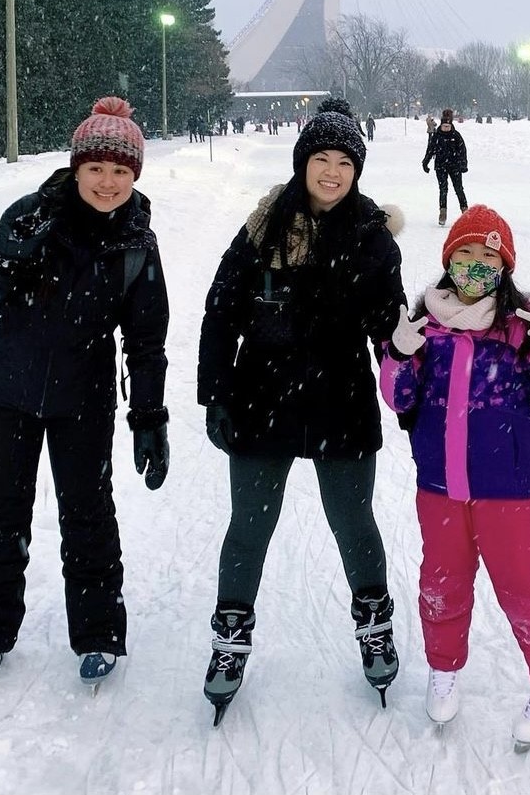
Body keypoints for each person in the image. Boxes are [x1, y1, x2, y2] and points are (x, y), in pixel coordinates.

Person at [197, 100, 407, 724]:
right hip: (263, 399)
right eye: (322, 158)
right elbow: (221, 310)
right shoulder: (264, 225)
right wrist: (214, 393)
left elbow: (388, 325)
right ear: (302, 162)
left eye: (345, 162)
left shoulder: (371, 236)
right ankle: (231, 636)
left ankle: (373, 620)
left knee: (352, 519)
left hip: (341, 401)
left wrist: (408, 388)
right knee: (250, 525)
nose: (333, 172)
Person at [0, 97, 171, 687]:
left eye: (121, 171)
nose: (108, 182)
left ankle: (99, 632)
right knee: (0, 513)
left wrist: (149, 415)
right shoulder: (33, 214)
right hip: (6, 390)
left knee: (87, 512)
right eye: (97, 168)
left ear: (135, 176)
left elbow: (147, 338)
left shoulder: (136, 243)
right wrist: (9, 252)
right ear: (77, 167)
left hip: (83, 398)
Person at [380, 205, 530, 749]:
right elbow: (398, 397)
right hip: (440, 486)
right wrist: (398, 355)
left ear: (505, 266)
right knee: (441, 586)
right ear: (449, 260)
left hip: (509, 488)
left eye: (489, 256)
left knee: (522, 590)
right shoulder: (428, 325)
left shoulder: (521, 328)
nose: (477, 264)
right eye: (466, 253)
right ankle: (443, 669)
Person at [422, 108, 469, 227]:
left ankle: (465, 212)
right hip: (440, 166)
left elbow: (462, 150)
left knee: (459, 189)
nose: (446, 128)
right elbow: (430, 150)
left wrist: (463, 164)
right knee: (443, 189)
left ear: (451, 125)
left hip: (455, 166)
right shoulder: (437, 136)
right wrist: (425, 162)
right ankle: (443, 212)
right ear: (441, 125)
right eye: (444, 126)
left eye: (448, 126)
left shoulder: (456, 135)